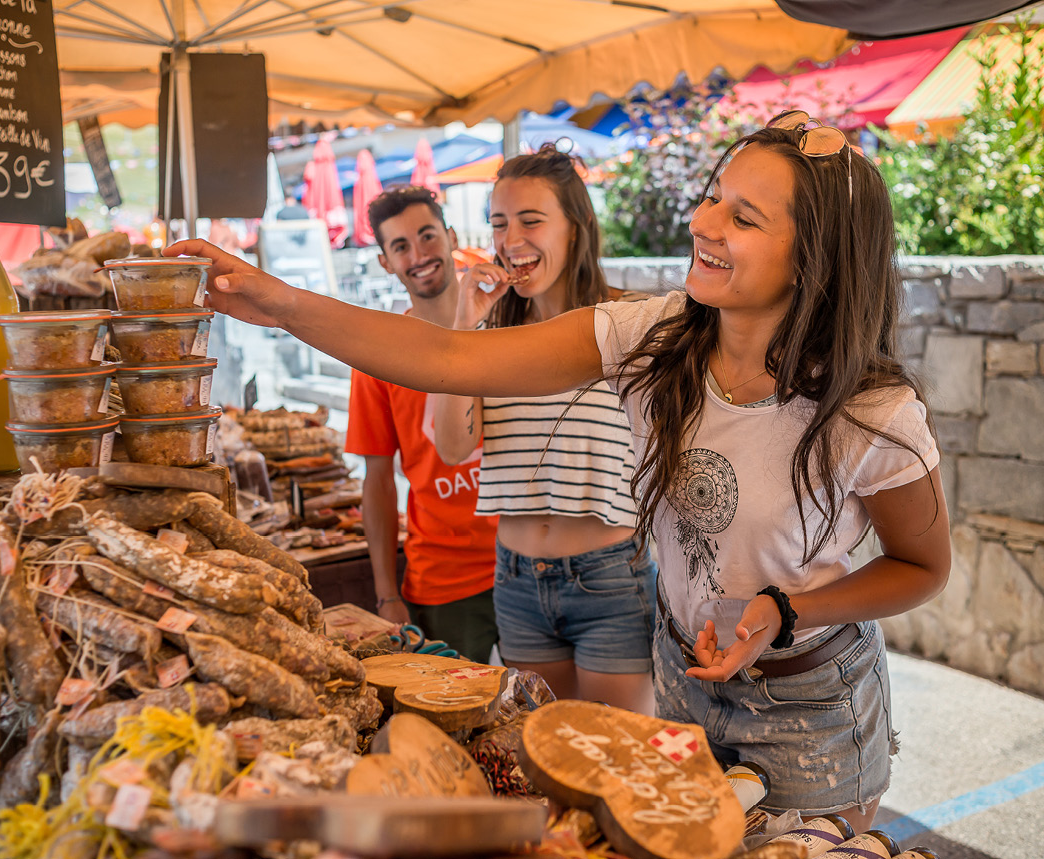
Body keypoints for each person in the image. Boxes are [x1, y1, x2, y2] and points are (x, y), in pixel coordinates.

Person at [165, 109, 951, 828]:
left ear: (813, 256)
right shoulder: (657, 335)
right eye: (714, 196)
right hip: (685, 673)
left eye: (741, 217)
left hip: (811, 698)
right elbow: (446, 354)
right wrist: (278, 300)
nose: (701, 221)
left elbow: (922, 568)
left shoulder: (869, 409)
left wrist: (784, 605)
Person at [430, 148, 656, 713]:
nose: (512, 239)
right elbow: (453, 447)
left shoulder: (630, 322)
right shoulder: (488, 336)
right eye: (500, 224)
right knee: (544, 753)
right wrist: (465, 322)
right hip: (515, 579)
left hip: (610, 576)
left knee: (616, 756)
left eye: (532, 220)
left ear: (576, 228)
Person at [344, 186, 499, 664]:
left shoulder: (507, 329)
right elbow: (377, 480)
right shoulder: (377, 357)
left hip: (527, 565)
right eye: (400, 246)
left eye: (428, 236)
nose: (419, 255)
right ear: (386, 262)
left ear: (451, 237)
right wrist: (387, 593)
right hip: (441, 579)